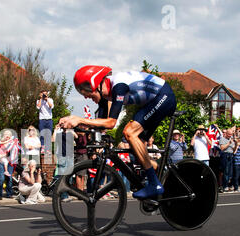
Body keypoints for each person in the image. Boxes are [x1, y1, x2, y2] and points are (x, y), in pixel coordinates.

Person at [59, 65, 177, 199]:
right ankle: (160, 170)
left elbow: (111, 123)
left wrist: (79, 119)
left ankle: (154, 184)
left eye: (87, 92)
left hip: (164, 96)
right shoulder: (105, 97)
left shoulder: (118, 86)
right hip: (153, 101)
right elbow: (101, 126)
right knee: (136, 147)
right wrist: (73, 126)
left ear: (95, 84)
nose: (86, 97)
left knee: (129, 133)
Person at [52, 123, 75, 202]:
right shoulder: (58, 132)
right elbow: (53, 140)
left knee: (70, 177)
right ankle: (63, 196)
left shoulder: (70, 132)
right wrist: (55, 129)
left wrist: (69, 129)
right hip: (62, 156)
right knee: (62, 176)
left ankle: (66, 194)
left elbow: (76, 136)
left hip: (70, 155)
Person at [0, 130, 19, 200]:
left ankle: (9, 193)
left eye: (9, 134)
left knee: (10, 178)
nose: (7, 136)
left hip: (9, 162)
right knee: (1, 178)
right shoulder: (1, 143)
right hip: (1, 162)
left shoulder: (13, 143)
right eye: (6, 134)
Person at [36, 90, 54, 154]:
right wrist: (41, 98)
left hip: (49, 119)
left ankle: (48, 149)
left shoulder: (50, 100)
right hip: (42, 119)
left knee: (49, 134)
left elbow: (51, 106)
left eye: (45, 94)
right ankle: (43, 147)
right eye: (43, 94)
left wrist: (46, 99)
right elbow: (38, 107)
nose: (44, 95)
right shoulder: (38, 101)